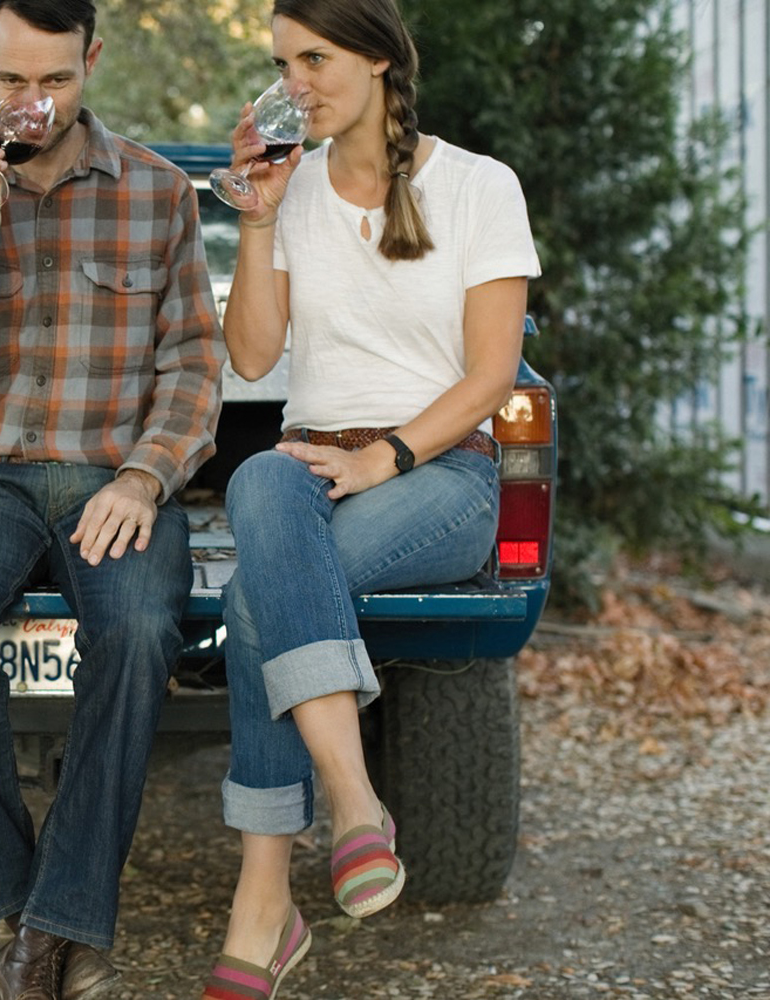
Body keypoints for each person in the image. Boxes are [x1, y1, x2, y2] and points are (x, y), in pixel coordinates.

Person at [0, 1, 225, 997]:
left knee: (145, 631)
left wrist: (149, 475)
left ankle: (38, 939)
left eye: (55, 80)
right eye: (12, 80)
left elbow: (194, 362)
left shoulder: (158, 191)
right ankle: (35, 912)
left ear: (92, 59)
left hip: (119, 478)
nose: (33, 103)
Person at [200, 0, 541, 997]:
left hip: (440, 475)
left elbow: (493, 375)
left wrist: (388, 454)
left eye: (314, 57)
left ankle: (269, 895)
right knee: (262, 472)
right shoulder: (292, 189)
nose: (293, 81)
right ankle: (352, 799)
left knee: (260, 597)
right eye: (279, 63)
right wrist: (257, 223)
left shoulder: (480, 187)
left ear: (382, 61)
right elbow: (255, 356)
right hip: (309, 475)